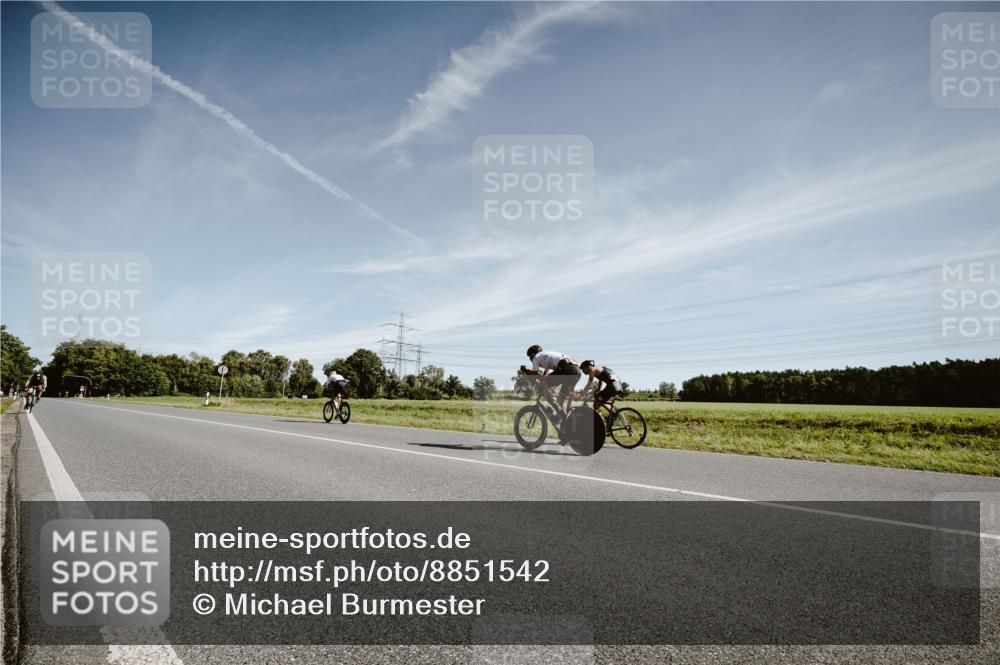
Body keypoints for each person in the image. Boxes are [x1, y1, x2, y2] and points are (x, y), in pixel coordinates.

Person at [520, 345, 581, 418]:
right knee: (561, 402)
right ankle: (566, 420)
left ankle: (554, 406)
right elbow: (545, 376)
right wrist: (541, 379)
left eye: (529, 357)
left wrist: (526, 370)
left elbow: (535, 374)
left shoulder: (536, 357)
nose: (530, 359)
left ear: (532, 354)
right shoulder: (547, 356)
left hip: (565, 368)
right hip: (576, 371)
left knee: (540, 386)